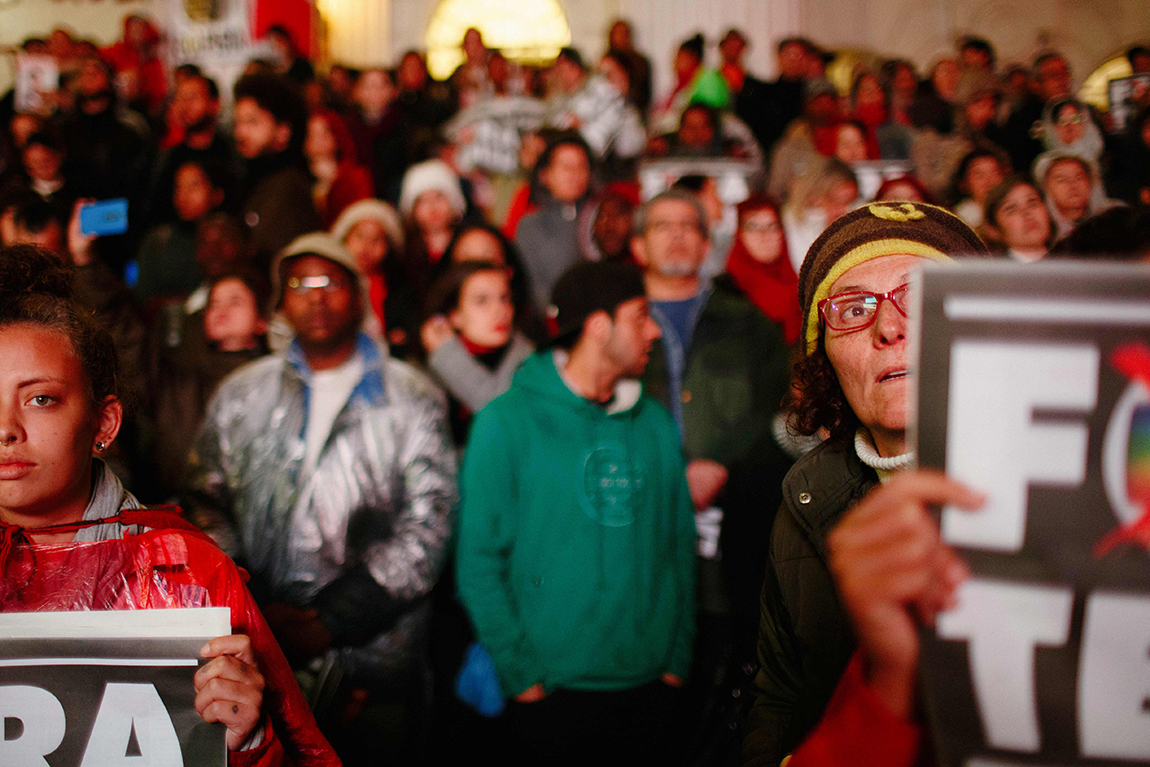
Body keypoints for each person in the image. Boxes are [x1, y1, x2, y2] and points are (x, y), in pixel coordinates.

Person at [0, 244, 339, 766]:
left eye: (40, 398)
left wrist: (248, 739)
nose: (6, 430)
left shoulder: (190, 573)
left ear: (104, 424)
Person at [185, 232, 456, 765]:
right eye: (299, 283)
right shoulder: (242, 394)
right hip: (258, 656)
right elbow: (203, 500)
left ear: (358, 295)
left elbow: (429, 525)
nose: (315, 296)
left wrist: (325, 623)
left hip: (371, 662)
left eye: (330, 281)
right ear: (280, 302)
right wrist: (254, 604)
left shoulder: (413, 395)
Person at [741, 202, 988, 767]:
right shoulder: (803, 498)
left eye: (920, 298)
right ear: (823, 357)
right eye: (853, 309)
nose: (890, 327)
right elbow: (779, 700)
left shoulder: (1068, 489)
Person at [456, 259, 696, 766]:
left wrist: (677, 661)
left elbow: (679, 544)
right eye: (640, 315)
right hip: (550, 695)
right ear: (598, 325)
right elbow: (478, 564)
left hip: (651, 691)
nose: (654, 329)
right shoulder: (506, 422)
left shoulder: (653, 422)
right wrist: (522, 679)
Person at [632, 190, 793, 759]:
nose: (676, 235)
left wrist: (722, 462)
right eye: (661, 226)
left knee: (713, 662)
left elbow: (781, 416)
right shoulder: (615, 323)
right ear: (638, 244)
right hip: (635, 532)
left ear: (706, 243)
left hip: (728, 531)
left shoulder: (747, 322)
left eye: (688, 226)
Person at [420, 261, 534, 445]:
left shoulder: (532, 362)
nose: (499, 310)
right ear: (455, 315)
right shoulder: (432, 370)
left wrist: (448, 356)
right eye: (482, 301)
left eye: (504, 299)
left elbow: (505, 419)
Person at [232, 73, 322, 269]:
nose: (240, 133)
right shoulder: (253, 179)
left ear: (283, 132)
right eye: (237, 122)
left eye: (252, 122)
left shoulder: (288, 188)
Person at [515, 133, 595, 311]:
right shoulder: (530, 226)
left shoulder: (600, 218)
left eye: (582, 167)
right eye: (567, 167)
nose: (576, 174)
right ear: (544, 175)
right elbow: (533, 286)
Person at [135, 158, 227, 305]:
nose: (183, 196)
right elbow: (143, 297)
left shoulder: (231, 239)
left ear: (217, 193)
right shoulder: (158, 240)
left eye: (194, 186)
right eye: (178, 187)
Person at [725, 194, 801, 344]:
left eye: (772, 227)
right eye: (753, 227)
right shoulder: (726, 291)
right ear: (739, 234)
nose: (764, 235)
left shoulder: (802, 289)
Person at [305, 109, 374, 227]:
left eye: (324, 135)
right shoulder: (298, 177)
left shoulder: (357, 177)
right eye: (311, 135)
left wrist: (332, 183)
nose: (317, 142)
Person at [1033, 151, 1122, 240]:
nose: (1072, 185)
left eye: (1079, 177)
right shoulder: (1042, 230)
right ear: (1047, 189)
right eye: (1061, 180)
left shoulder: (1116, 214)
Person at [982, 176, 1053, 262]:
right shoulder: (995, 273)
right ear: (993, 230)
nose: (1027, 213)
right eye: (1011, 209)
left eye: (1033, 203)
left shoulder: (1068, 260)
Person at [949, 148, 1007, 229]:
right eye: (979, 175)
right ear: (964, 184)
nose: (989, 181)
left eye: (995, 173)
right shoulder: (959, 221)